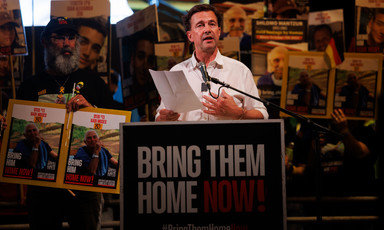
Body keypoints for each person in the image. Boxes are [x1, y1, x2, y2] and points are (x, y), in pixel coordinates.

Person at [16, 17, 118, 230]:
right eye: (59, 37)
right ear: (45, 42)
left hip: (84, 187)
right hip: (42, 187)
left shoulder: (94, 83)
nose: (67, 43)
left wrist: (91, 110)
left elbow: (115, 129)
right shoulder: (30, 86)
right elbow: (18, 136)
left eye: (71, 38)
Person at [156, 4, 268, 121]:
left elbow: (263, 114)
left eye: (212, 24)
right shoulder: (176, 72)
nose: (207, 29)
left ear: (219, 32)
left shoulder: (240, 70)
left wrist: (239, 113)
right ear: (190, 36)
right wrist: (164, 118)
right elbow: (160, 117)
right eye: (200, 25)